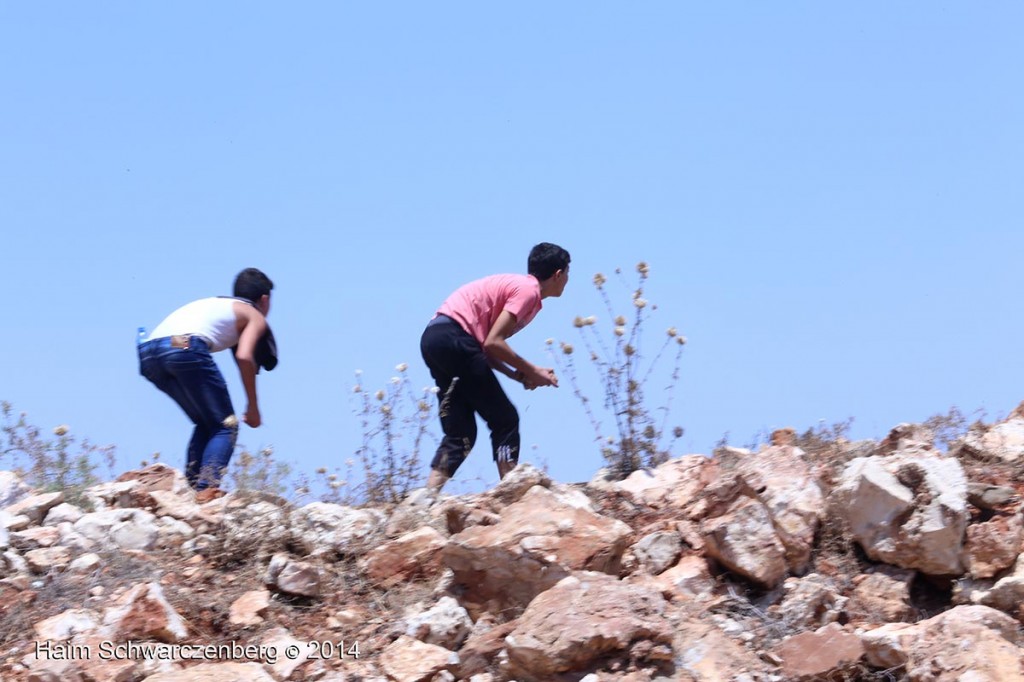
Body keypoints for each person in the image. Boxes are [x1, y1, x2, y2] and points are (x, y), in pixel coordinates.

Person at [420, 243, 570, 493]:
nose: (567, 280)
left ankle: (425, 499)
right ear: (558, 274)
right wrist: (533, 370)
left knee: (461, 433)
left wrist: (518, 375)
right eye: (567, 274)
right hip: (455, 338)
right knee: (505, 419)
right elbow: (493, 342)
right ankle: (511, 490)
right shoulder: (528, 291)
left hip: (435, 338)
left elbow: (484, 348)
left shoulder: (521, 289)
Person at [138, 268, 277, 498]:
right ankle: (205, 491)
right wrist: (253, 407)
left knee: (207, 423)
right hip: (185, 345)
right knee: (226, 426)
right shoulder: (254, 315)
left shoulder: (218, 303)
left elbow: (177, 342)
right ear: (264, 300)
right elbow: (244, 357)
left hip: (151, 350)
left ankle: (190, 492)